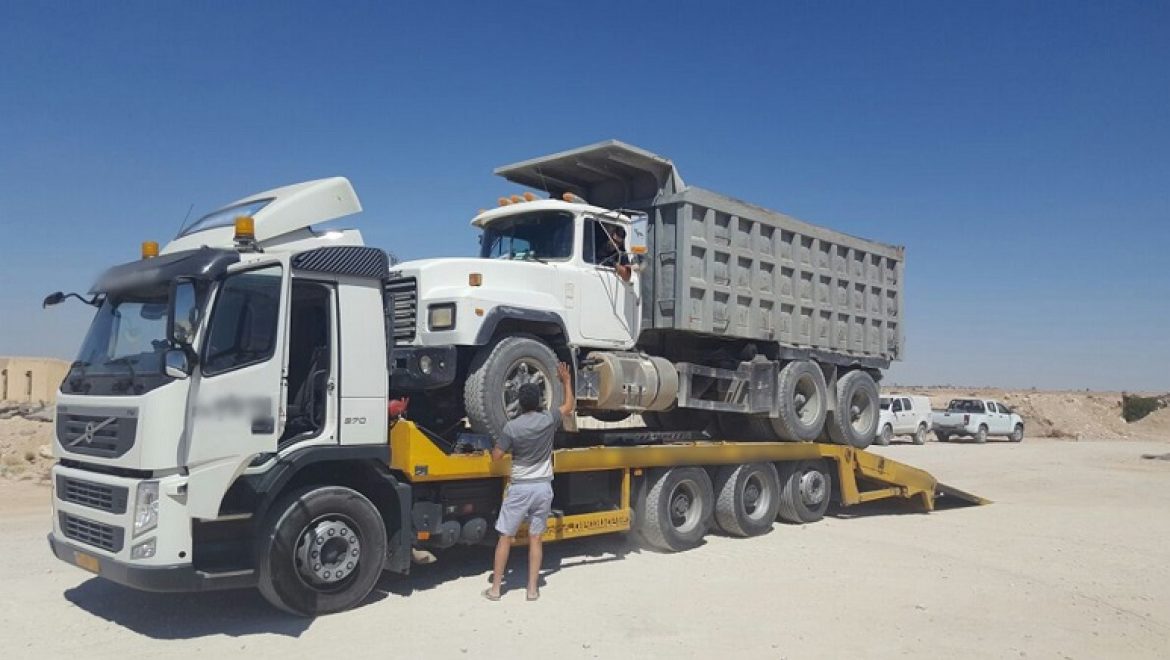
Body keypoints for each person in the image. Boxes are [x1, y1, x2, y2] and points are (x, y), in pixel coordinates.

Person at [482, 362, 575, 601]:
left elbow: (496, 456)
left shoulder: (512, 427)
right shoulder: (548, 420)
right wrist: (565, 380)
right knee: (536, 539)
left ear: (520, 404)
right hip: (543, 488)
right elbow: (568, 406)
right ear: (539, 401)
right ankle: (532, 590)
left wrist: (499, 450)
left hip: (520, 489)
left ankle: (495, 590)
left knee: (505, 537)